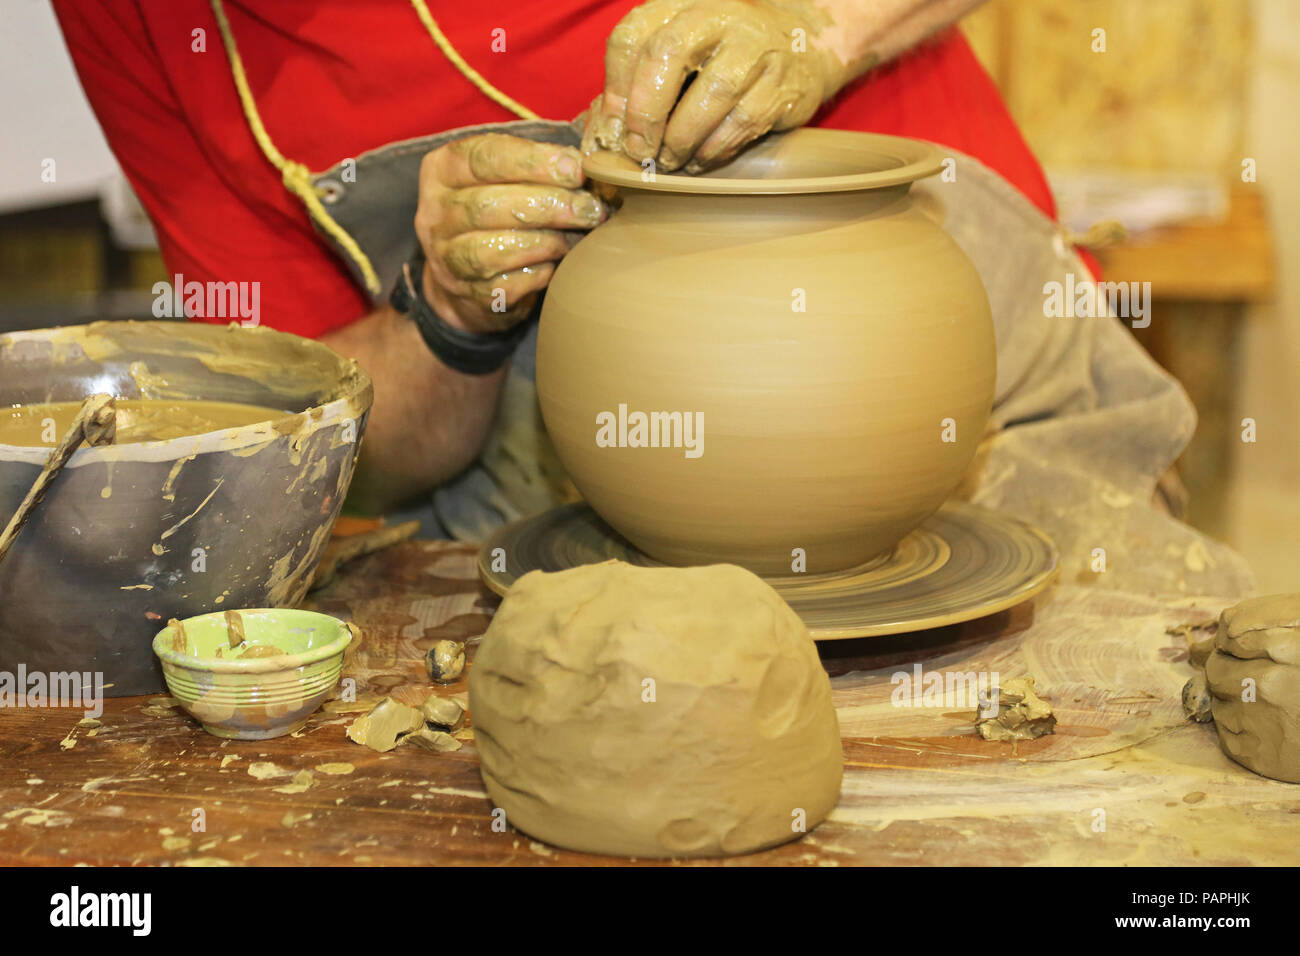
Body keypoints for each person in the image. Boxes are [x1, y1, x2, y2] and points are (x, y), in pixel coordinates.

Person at [55, 0, 1054, 535]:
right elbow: (341, 442)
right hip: (570, 470)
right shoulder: (135, 15)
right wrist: (440, 314)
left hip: (945, 353)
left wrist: (816, 24)